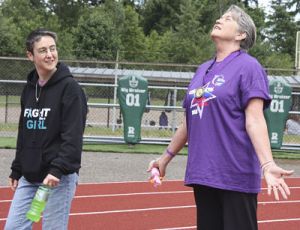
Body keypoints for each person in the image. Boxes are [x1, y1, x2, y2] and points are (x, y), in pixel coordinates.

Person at [147, 5, 294, 230]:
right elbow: (190, 121)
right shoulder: (202, 70)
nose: (219, 19)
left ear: (241, 34)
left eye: (227, 18)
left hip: (235, 175)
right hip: (204, 173)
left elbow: (254, 119)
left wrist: (267, 164)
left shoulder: (249, 67)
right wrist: (165, 158)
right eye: (221, 17)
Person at [5, 29, 87, 230]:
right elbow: (25, 132)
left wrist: (57, 170)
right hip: (30, 175)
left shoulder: (71, 89)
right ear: (30, 55)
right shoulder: (29, 88)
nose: (50, 54)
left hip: (57, 178)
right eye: (42, 50)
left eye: (52, 49)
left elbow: (73, 137)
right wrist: (17, 168)